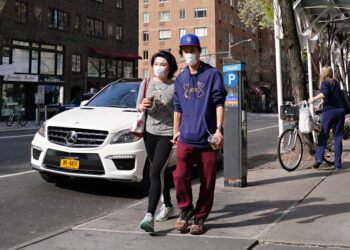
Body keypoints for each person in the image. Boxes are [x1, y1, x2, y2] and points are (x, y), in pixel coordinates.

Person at [172, 34, 227, 235]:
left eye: (192, 50)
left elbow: (219, 103)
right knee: (180, 176)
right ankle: (185, 210)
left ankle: (200, 217)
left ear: (199, 51)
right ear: (182, 53)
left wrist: (219, 130)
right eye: (185, 51)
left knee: (208, 180)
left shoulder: (212, 74)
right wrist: (175, 131)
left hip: (207, 139)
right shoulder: (180, 78)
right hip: (186, 137)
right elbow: (177, 107)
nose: (189, 54)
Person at [137, 50, 178, 233]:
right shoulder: (146, 83)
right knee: (160, 171)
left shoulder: (176, 86)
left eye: (163, 65)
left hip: (166, 133)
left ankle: (149, 216)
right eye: (156, 64)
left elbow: (180, 110)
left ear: (170, 67)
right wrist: (142, 105)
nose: (158, 67)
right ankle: (168, 205)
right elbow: (138, 106)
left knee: (154, 172)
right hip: (149, 132)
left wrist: (178, 131)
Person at [308, 66, 345, 170]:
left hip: (329, 112)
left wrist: (313, 99)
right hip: (340, 112)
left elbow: (324, 93)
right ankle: (337, 165)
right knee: (337, 138)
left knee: (324, 135)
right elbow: (333, 95)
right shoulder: (336, 82)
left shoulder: (325, 82)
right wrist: (320, 103)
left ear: (323, 74)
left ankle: (319, 158)